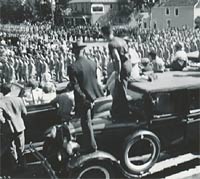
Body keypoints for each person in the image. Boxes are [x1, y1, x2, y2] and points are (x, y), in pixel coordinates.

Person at [68, 40, 104, 153]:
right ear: (83, 50)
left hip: (83, 99)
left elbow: (76, 87)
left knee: (86, 122)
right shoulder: (92, 63)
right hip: (95, 95)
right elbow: (93, 80)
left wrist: (84, 98)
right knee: (93, 121)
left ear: (74, 52)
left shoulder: (73, 67)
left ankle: (92, 146)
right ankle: (91, 142)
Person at [101, 25, 132, 119]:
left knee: (121, 91)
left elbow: (117, 59)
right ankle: (116, 111)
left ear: (104, 34)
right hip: (128, 64)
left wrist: (117, 73)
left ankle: (124, 114)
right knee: (119, 90)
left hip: (122, 67)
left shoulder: (111, 44)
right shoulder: (121, 40)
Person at [0, 83, 27, 173]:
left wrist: (5, 122)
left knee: (12, 148)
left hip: (8, 129)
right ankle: (23, 166)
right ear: (10, 90)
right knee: (21, 147)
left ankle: (14, 167)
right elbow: (25, 113)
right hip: (20, 126)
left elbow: (0, 117)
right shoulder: (18, 99)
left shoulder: (1, 101)